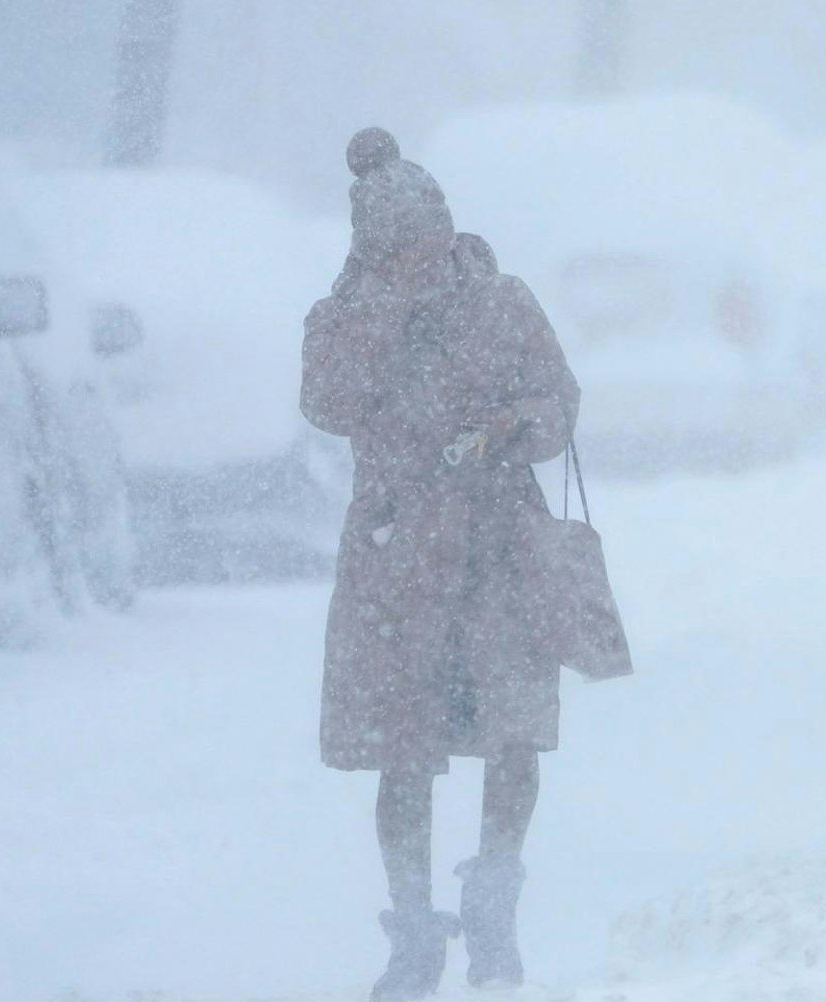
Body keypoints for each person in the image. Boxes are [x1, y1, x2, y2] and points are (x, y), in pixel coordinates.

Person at [300, 127, 581, 1000]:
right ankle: (413, 932)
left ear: (446, 226)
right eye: (399, 245)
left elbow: (558, 402)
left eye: (427, 236)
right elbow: (328, 403)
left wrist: (509, 428)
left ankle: (494, 911)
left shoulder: (502, 302)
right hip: (398, 562)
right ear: (373, 247)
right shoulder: (345, 316)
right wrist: (382, 313)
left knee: (512, 733)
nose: (420, 257)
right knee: (401, 751)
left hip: (499, 552)